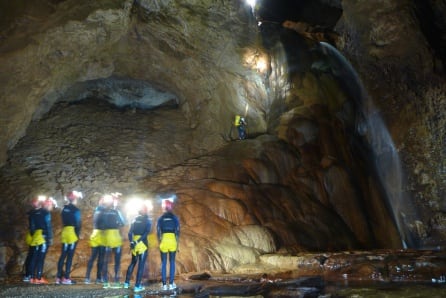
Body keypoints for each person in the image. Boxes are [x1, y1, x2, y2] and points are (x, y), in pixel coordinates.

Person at [124, 200, 152, 292]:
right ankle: (137, 286)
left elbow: (129, 233)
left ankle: (126, 283)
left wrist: (132, 242)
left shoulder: (134, 219)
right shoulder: (147, 220)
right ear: (145, 210)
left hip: (134, 243)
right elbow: (146, 233)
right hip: (142, 244)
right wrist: (137, 241)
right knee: (141, 265)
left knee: (133, 262)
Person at [98, 194, 126, 288]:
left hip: (106, 236)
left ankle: (105, 282)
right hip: (115, 236)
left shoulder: (102, 212)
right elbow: (123, 222)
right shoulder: (116, 211)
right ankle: (117, 282)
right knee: (117, 260)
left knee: (105, 260)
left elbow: (99, 224)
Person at [56, 191, 82, 285]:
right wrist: (77, 235)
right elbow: (78, 223)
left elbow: (62, 219)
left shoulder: (64, 208)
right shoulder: (76, 210)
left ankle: (58, 277)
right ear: (75, 199)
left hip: (65, 232)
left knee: (63, 255)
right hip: (72, 233)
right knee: (70, 256)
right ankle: (66, 278)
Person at [28, 196, 54, 284]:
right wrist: (50, 237)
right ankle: (39, 278)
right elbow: (48, 225)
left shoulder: (32, 213)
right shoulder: (45, 212)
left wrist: (33, 235)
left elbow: (31, 227)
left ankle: (31, 277)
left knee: (34, 256)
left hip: (36, 236)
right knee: (41, 258)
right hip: (44, 236)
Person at [157, 199, 180, 291]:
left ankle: (164, 284)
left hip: (164, 239)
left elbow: (158, 231)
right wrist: (177, 244)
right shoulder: (175, 218)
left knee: (163, 263)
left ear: (164, 208)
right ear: (171, 207)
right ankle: (171, 284)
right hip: (172, 239)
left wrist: (160, 241)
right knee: (172, 262)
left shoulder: (161, 218)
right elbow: (177, 231)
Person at [85, 197, 105, 284]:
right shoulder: (99, 210)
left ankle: (96, 278)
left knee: (99, 258)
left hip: (99, 235)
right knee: (95, 257)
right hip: (99, 235)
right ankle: (90, 277)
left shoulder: (100, 211)